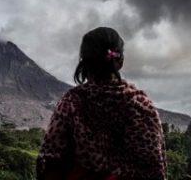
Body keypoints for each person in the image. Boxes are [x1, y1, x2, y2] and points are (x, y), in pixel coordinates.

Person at [36, 27, 167, 180]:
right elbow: (154, 168)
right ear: (120, 61)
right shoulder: (141, 106)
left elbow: (50, 161)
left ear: (84, 62)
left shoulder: (72, 102)